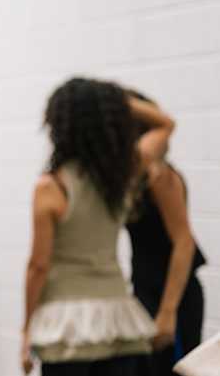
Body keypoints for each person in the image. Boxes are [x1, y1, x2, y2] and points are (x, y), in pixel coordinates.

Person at [22, 77, 175, 376]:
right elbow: (165, 125)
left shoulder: (52, 186)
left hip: (66, 324)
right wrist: (113, 104)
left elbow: (38, 266)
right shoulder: (123, 175)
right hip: (117, 316)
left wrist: (26, 328)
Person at [126, 91, 206, 375]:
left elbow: (183, 242)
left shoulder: (162, 176)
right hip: (145, 289)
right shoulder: (133, 178)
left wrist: (168, 313)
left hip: (174, 296)